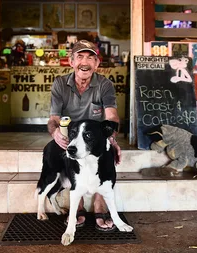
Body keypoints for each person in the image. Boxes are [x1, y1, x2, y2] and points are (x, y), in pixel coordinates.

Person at [48, 40, 122, 232]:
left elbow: (111, 115)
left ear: (97, 64)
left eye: (90, 58)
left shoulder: (105, 85)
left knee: (107, 150)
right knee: (68, 151)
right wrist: (56, 133)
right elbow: (53, 119)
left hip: (94, 136)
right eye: (80, 57)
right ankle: (78, 204)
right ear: (71, 61)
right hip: (70, 134)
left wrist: (111, 139)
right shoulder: (59, 84)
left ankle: (99, 204)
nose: (85, 62)